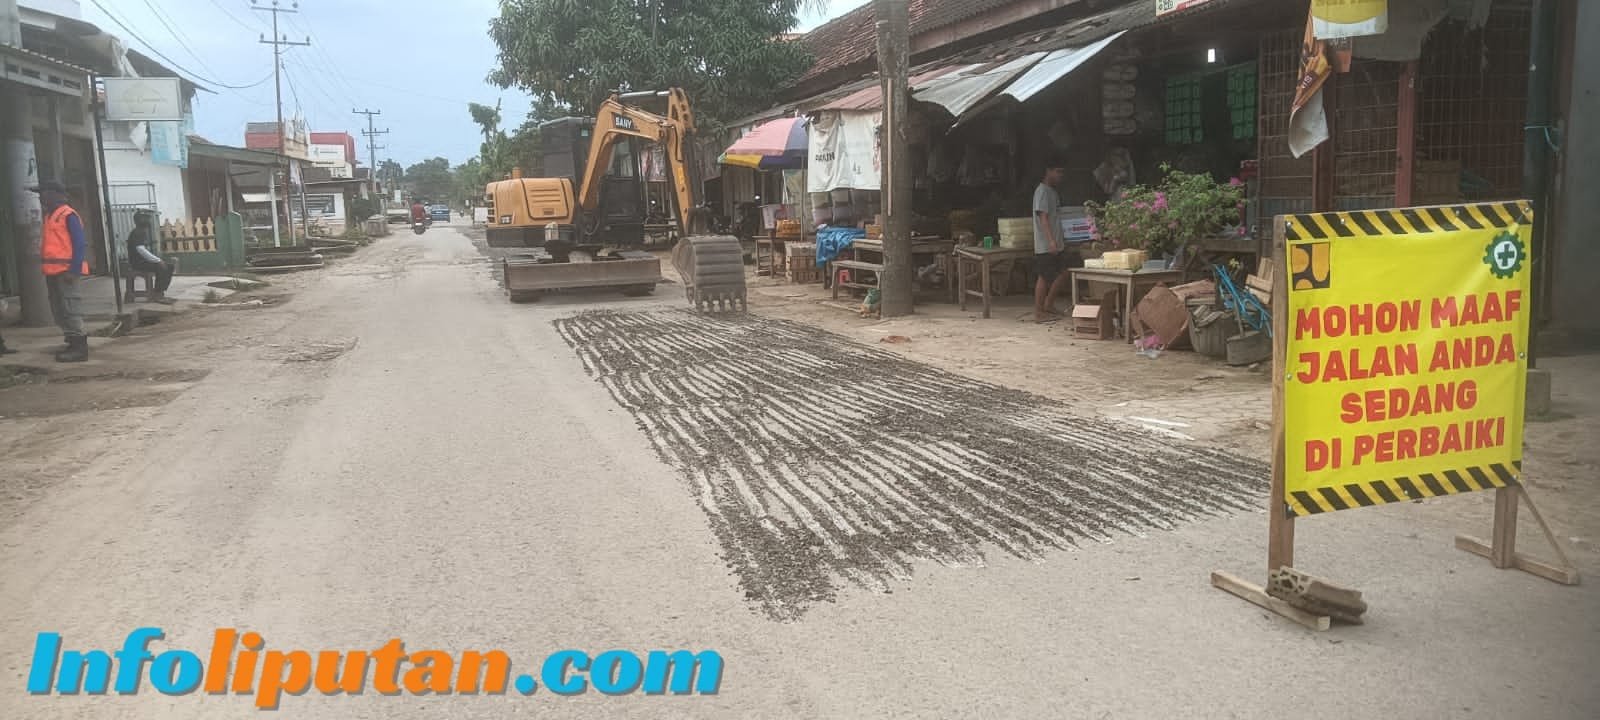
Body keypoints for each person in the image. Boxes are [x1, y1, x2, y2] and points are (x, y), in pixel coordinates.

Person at [31, 179, 89, 362]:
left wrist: (74, 269)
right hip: (53, 271)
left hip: (66, 271)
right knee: (59, 309)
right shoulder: (50, 216)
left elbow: (79, 244)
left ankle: (79, 348)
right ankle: (72, 340)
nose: (41, 197)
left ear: (55, 194)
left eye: (44, 193)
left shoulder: (68, 214)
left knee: (71, 308)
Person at [1032, 162, 1075, 322]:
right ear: (1048, 171)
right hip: (1046, 244)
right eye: (1057, 171)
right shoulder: (1042, 191)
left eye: (1062, 172)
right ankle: (1038, 313)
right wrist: (1050, 241)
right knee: (1044, 276)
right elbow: (1043, 218)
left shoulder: (1052, 192)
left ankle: (1048, 304)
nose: (1060, 175)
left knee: (1064, 272)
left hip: (1057, 241)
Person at [126, 210, 176, 302]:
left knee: (169, 267)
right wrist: (158, 261)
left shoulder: (139, 231)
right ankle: (157, 294)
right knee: (162, 267)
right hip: (138, 263)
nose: (148, 220)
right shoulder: (138, 232)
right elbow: (141, 250)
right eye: (145, 218)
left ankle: (160, 293)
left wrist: (158, 260)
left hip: (141, 262)